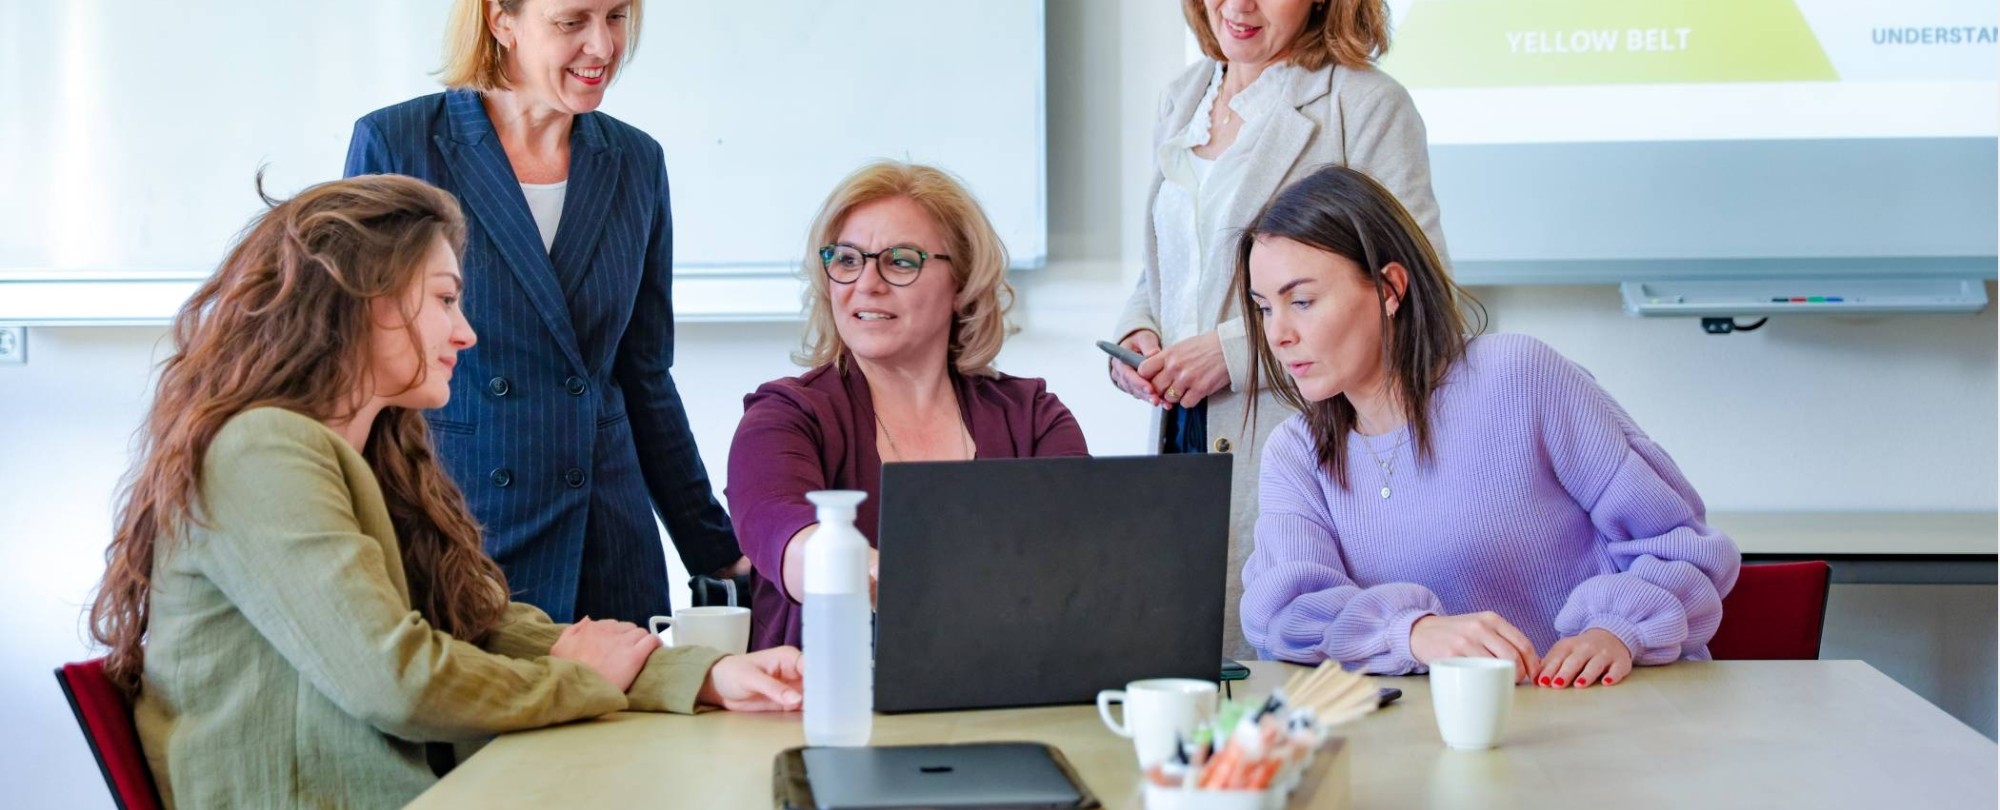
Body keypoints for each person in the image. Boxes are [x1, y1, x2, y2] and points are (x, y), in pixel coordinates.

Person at [87, 175, 803, 810]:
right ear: (360, 299)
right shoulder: (264, 450)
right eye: (445, 300)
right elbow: (397, 681)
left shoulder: (369, 452)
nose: (465, 334)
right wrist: (586, 683)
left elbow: (478, 624)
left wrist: (701, 678)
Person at [1235, 165, 1740, 688]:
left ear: (1389, 289)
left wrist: (1616, 631)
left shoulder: (1520, 378)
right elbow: (1283, 617)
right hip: (1429, 736)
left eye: (1301, 302)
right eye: (1264, 308)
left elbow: (1681, 544)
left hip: (1598, 712)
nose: (1278, 334)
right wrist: (1411, 632)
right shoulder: (1296, 453)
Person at [344, 0, 746, 625]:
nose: (604, 46)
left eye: (616, 17)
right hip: (461, 524)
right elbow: (359, 364)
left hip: (605, 542)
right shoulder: (400, 143)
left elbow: (643, 378)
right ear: (501, 20)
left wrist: (717, 554)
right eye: (571, 22)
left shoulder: (636, 161)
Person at [1109, 0, 1451, 657]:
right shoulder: (1183, 99)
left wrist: (1234, 352)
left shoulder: (1366, 105)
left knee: (1286, 660)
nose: (1237, 6)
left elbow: (1411, 291)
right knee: (1187, 653)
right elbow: (1172, 268)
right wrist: (1137, 333)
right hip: (1183, 435)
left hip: (1301, 433)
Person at [727, 161, 1089, 650]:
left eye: (900, 261)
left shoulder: (1033, 417)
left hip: (1011, 699)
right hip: (825, 711)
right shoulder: (784, 417)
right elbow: (791, 545)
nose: (866, 283)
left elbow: (1077, 565)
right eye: (848, 260)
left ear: (961, 284)